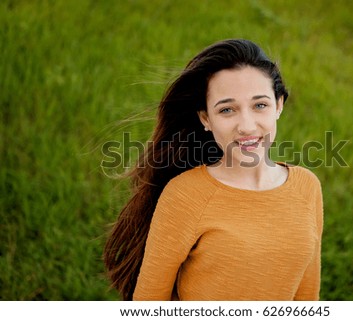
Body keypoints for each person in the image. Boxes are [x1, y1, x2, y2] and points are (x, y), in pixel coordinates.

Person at [103, 39, 323, 301]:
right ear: (206, 118)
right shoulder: (185, 195)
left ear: (279, 105)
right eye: (227, 109)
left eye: (260, 105)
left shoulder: (307, 187)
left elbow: (307, 295)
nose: (247, 126)